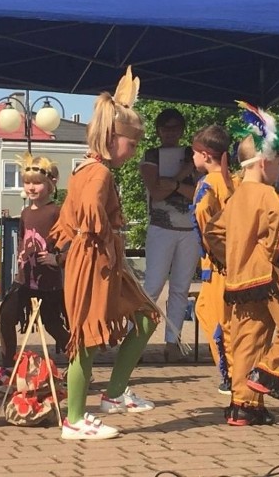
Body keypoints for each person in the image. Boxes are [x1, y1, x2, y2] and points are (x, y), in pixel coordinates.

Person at [51, 66, 159, 441]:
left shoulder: (85, 168)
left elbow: (68, 220)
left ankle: (113, 395)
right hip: (95, 260)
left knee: (145, 318)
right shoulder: (98, 174)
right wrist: (105, 231)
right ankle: (75, 419)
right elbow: (89, 215)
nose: (135, 150)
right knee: (87, 336)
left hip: (100, 258)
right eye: (133, 143)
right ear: (114, 138)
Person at [204, 102, 279, 427]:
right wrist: (272, 258)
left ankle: (243, 407)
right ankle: (271, 373)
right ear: (265, 162)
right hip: (268, 278)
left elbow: (213, 232)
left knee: (246, 339)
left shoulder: (234, 197)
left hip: (238, 282)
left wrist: (232, 258)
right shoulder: (268, 195)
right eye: (278, 164)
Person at [0, 154, 70, 391]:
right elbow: (23, 239)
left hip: (49, 281)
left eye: (37, 182)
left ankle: (77, 362)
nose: (31, 187)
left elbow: (66, 240)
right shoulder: (24, 213)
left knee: (53, 325)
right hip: (24, 279)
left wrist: (56, 258)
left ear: (51, 184)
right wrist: (22, 255)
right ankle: (7, 366)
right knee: (8, 315)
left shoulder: (56, 211)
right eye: (27, 182)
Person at [140, 108, 200, 362]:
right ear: (158, 131)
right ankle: (137, 341)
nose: (170, 132)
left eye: (175, 128)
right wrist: (180, 179)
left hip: (189, 229)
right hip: (161, 228)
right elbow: (156, 192)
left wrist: (173, 184)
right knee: (152, 286)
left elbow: (198, 192)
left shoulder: (191, 154)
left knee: (180, 288)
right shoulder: (151, 154)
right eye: (166, 128)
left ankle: (172, 340)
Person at [191, 124, 238, 394]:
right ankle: (233, 370)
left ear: (206, 155)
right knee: (208, 312)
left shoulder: (209, 184)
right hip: (228, 261)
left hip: (218, 264)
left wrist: (216, 253)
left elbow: (206, 223)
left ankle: (231, 373)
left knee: (218, 320)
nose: (192, 158)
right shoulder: (234, 180)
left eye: (195, 152)